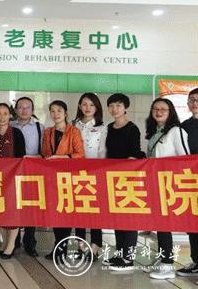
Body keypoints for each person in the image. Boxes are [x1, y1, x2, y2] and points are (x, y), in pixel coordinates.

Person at [146, 98, 189, 280]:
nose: (159, 112)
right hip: (155, 183)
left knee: (164, 224)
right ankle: (163, 257)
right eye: (155, 109)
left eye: (163, 109)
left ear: (170, 112)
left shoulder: (176, 131)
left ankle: (167, 264)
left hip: (169, 184)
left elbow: (185, 158)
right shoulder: (154, 132)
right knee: (159, 224)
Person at [102, 93, 145, 272]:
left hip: (128, 178)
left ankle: (128, 258)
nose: (115, 109)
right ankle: (120, 253)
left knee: (129, 219)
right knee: (117, 217)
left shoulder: (132, 128)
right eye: (112, 106)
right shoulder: (108, 128)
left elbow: (135, 152)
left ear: (125, 107)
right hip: (112, 178)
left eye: (118, 105)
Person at [41, 100, 85, 261]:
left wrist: (61, 157)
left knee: (68, 213)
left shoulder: (74, 131)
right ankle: (59, 247)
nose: (56, 114)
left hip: (70, 177)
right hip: (53, 178)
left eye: (59, 110)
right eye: (52, 111)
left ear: (66, 113)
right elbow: (45, 153)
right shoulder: (48, 132)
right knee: (57, 213)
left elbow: (80, 154)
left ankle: (69, 248)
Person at [72, 93, 107, 256]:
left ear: (97, 108)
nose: (88, 108)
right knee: (79, 212)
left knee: (94, 212)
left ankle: (95, 245)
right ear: (79, 106)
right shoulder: (72, 126)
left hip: (95, 175)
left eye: (92, 105)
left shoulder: (103, 127)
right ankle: (81, 245)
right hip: (75, 174)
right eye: (84, 104)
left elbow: (102, 152)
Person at [10, 96, 44, 257]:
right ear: (16, 110)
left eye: (27, 107)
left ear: (32, 110)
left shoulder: (40, 127)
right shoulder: (9, 125)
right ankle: (14, 240)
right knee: (14, 206)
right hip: (13, 172)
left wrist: (32, 158)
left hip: (32, 172)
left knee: (31, 207)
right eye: (20, 107)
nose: (24, 110)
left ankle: (30, 242)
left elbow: (45, 152)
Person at [0, 103, 25, 259]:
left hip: (13, 179)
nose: (2, 117)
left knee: (12, 212)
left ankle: (11, 245)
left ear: (10, 115)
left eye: (5, 113)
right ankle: (4, 241)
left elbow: (21, 157)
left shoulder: (16, 133)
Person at [178, 88, 198, 279]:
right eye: (192, 100)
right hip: (190, 182)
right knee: (192, 222)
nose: (195, 103)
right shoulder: (183, 127)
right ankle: (196, 260)